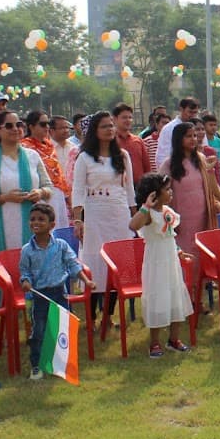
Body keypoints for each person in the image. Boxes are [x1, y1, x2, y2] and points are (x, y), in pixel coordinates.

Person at [71, 111, 135, 329]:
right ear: (94, 132)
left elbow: (130, 190)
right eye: (104, 126)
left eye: (111, 126)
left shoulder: (123, 156)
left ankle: (108, 316)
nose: (110, 130)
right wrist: (78, 220)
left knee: (116, 266)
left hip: (118, 214)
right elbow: (78, 191)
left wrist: (135, 217)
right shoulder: (84, 158)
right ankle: (91, 317)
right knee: (94, 265)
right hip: (95, 215)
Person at [18, 203, 86, 379]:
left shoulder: (61, 245)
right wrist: (25, 281)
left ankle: (61, 364)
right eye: (32, 219)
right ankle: (36, 365)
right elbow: (25, 272)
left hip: (59, 293)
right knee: (38, 331)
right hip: (40, 296)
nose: (36, 223)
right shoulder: (26, 250)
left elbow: (73, 263)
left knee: (62, 328)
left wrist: (86, 280)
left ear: (52, 225)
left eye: (41, 219)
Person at [128, 173, 192, 357]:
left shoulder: (167, 213)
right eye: (166, 189)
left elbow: (169, 235)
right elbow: (133, 225)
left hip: (171, 260)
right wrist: (146, 206)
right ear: (154, 194)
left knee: (175, 296)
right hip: (156, 263)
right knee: (157, 298)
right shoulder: (149, 215)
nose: (171, 192)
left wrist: (178, 251)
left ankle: (174, 339)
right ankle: (154, 342)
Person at [0, 110, 54, 255]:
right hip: (2, 223)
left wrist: (40, 192)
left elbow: (49, 187)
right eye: (9, 126)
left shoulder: (33, 156)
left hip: (34, 222)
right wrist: (5, 198)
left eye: (18, 125)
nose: (15, 129)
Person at [158, 121, 220, 256]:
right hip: (181, 218)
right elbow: (161, 194)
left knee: (202, 251)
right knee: (185, 254)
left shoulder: (201, 159)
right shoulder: (169, 164)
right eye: (188, 136)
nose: (193, 139)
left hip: (203, 216)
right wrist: (170, 218)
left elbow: (210, 188)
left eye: (194, 136)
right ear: (178, 139)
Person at [22, 110, 72, 227]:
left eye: (48, 124)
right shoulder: (24, 147)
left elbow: (58, 172)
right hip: (39, 194)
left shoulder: (49, 146)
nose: (47, 127)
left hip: (57, 193)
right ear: (31, 126)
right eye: (43, 124)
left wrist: (67, 197)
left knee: (58, 228)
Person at [154, 97, 200, 170]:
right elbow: (162, 156)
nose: (193, 115)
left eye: (195, 112)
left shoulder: (199, 128)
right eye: (190, 112)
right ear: (181, 109)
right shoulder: (169, 129)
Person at [111, 103, 151, 185]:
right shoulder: (110, 141)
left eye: (130, 117)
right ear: (114, 119)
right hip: (118, 187)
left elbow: (147, 166)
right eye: (124, 117)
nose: (128, 120)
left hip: (139, 187)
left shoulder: (138, 141)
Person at [50, 115, 79, 191]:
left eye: (67, 127)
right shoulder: (47, 149)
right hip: (54, 191)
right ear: (52, 130)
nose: (66, 130)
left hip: (72, 191)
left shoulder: (74, 148)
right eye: (62, 128)